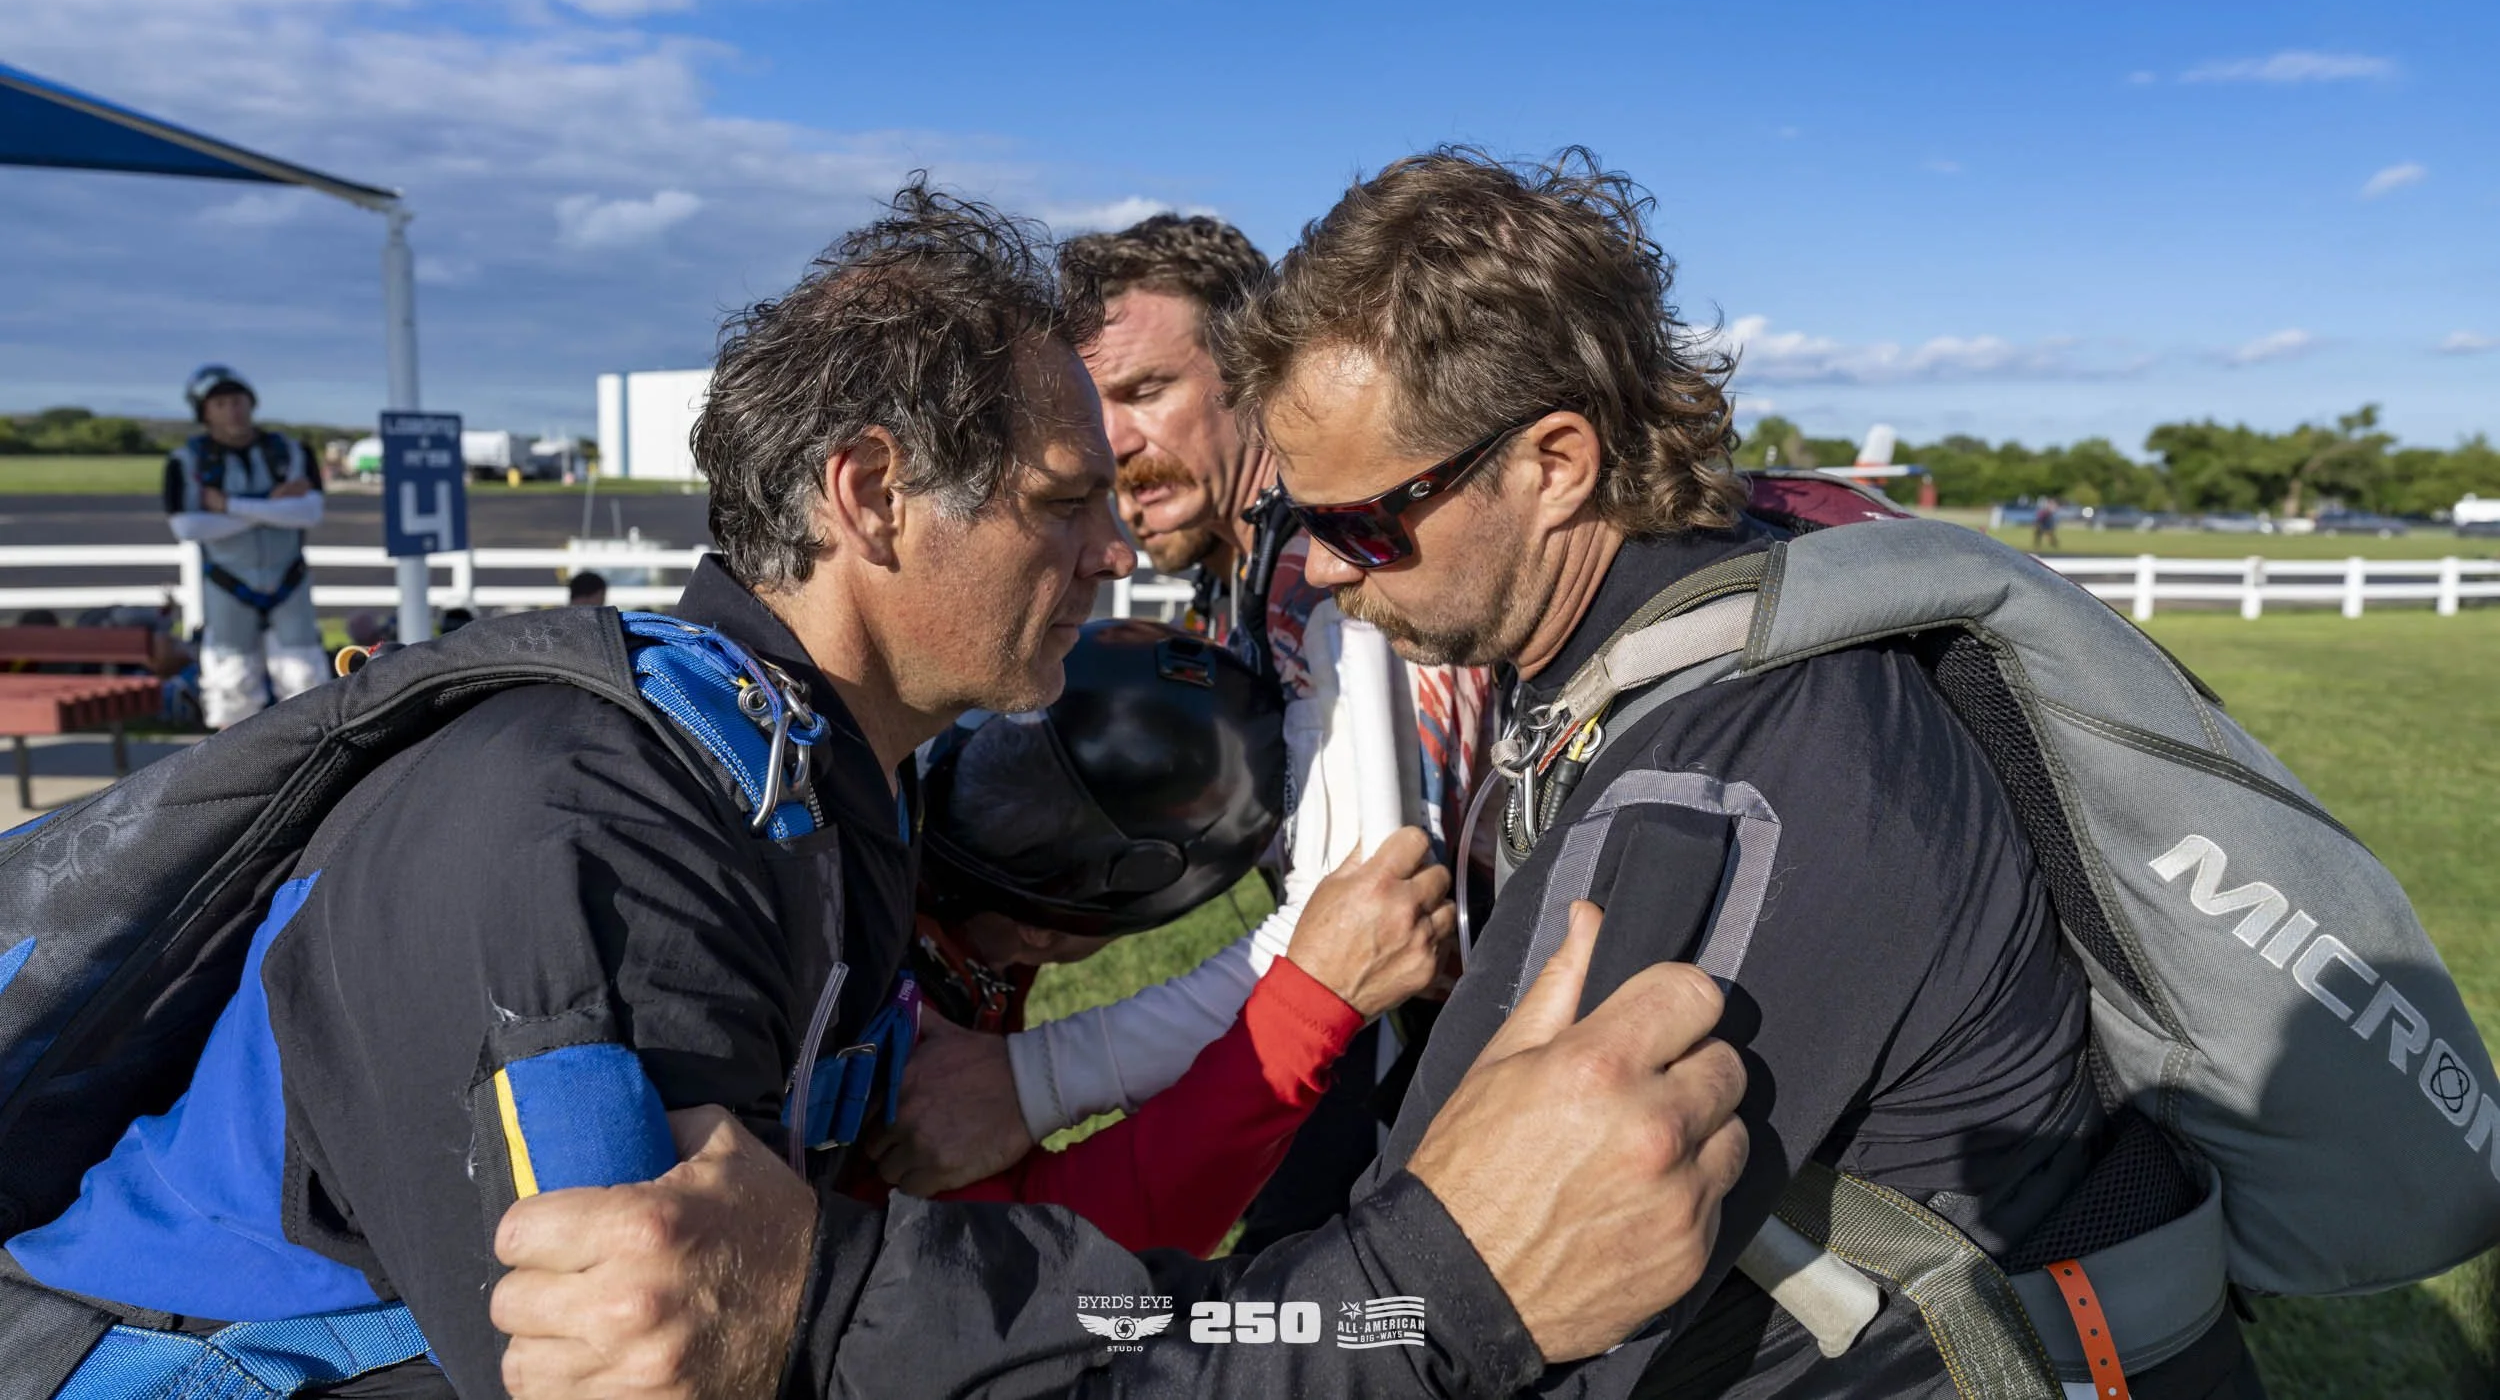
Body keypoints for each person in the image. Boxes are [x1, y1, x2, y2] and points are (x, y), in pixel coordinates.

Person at [10, 181, 1747, 1400]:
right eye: (1063, 499)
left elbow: (931, 1275)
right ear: (871, 494)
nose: (1109, 550)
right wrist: (1419, 1305)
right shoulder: (602, 838)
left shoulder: (816, 791)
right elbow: (744, 1352)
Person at [1213, 147, 2261, 1396]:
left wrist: (1151, 1335)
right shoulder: (1689, 623)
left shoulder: (1720, 773)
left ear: (1555, 463)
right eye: (1299, 518)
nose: (1324, 567)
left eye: (1364, 523)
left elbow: (1442, 1293)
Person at [872, 213, 1500, 1257]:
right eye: (1086, 403)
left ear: (1252, 375)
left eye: (1143, 389)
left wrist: (1031, 1082)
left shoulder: (1324, 564)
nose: (1108, 441)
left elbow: (1366, 908)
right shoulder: (1242, 572)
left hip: (1475, 1035)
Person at [162, 365, 326, 728]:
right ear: (203, 411)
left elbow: (310, 511)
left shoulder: (291, 452)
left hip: (288, 581)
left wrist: (231, 506)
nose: (232, 409)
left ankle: (315, 759)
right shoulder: (187, 461)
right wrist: (273, 505)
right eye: (220, 403)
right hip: (227, 583)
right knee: (230, 683)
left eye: (238, 400)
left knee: (305, 680)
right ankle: (236, 772)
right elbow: (188, 525)